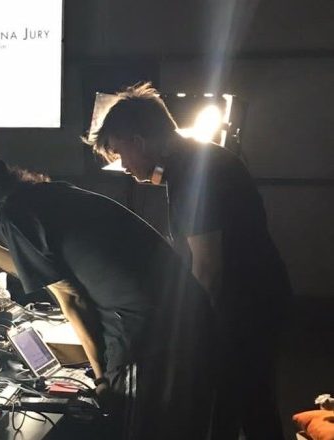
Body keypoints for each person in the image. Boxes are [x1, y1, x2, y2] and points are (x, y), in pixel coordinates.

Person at [0, 153, 216, 440]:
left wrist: (100, 378)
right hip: (187, 315)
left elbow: (71, 299)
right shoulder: (47, 194)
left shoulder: (14, 215)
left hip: (147, 333)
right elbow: (37, 266)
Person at [86, 82, 291, 440]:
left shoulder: (195, 172)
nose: (123, 165)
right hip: (257, 299)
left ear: (140, 141)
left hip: (244, 309)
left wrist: (185, 334)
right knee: (244, 404)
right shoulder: (199, 159)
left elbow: (208, 267)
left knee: (242, 406)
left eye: (120, 152)